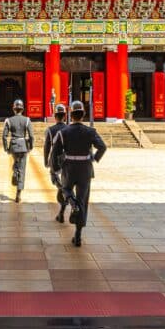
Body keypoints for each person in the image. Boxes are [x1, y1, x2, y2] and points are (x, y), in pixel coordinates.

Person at [50, 100, 107, 247]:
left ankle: (72, 202)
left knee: (65, 189)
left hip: (69, 167)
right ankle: (78, 235)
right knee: (83, 200)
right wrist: (94, 158)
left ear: (71, 114)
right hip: (85, 169)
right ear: (83, 114)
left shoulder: (63, 132)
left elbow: (55, 152)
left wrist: (55, 168)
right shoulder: (90, 131)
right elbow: (102, 147)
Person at [2, 98, 34, 203]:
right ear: (23, 109)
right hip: (23, 145)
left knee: (16, 162)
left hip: (14, 145)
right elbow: (31, 136)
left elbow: (4, 136)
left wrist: (6, 147)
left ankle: (15, 171)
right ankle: (18, 193)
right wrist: (31, 146)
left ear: (13, 109)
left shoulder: (8, 120)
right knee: (22, 169)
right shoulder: (27, 120)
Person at [43, 102, 69, 223]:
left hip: (55, 161)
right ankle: (62, 210)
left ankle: (63, 191)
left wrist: (45, 160)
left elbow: (47, 147)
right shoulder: (69, 128)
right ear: (64, 116)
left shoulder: (50, 130)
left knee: (57, 182)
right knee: (65, 184)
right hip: (67, 161)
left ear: (55, 116)